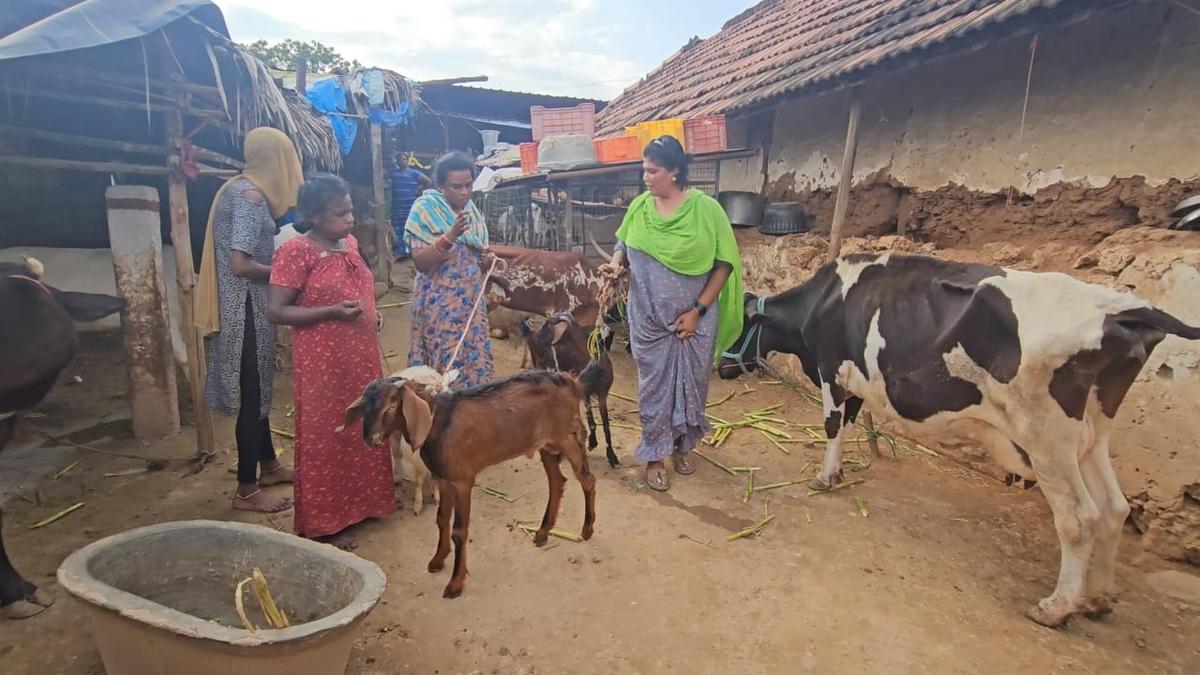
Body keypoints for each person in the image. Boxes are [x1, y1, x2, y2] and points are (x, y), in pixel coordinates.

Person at [600, 136, 744, 492]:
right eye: (644, 170)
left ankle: (682, 444)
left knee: (693, 385)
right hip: (648, 317)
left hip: (694, 320)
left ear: (675, 171)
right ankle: (654, 454)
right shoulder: (639, 207)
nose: (645, 177)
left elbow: (724, 263)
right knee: (653, 389)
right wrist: (617, 265)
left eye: (653, 171)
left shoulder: (707, 209)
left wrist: (698, 310)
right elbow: (623, 244)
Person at [269, 174, 396, 549]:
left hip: (361, 355)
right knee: (330, 433)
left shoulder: (350, 243)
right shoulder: (296, 252)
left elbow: (358, 290)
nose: (350, 219)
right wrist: (331, 312)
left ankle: (368, 502)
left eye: (350, 211)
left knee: (366, 421)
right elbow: (276, 310)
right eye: (340, 214)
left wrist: (372, 315)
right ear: (314, 216)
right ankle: (327, 521)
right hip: (324, 361)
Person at [196, 126, 302, 513]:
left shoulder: (237, 189)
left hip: (246, 308)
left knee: (257, 396)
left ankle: (269, 465)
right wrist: (283, 272)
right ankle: (246, 489)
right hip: (243, 313)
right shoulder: (249, 198)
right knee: (252, 396)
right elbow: (240, 265)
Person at [404, 151, 495, 387]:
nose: (464, 192)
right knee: (445, 364)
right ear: (442, 185)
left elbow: (473, 253)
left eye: (468, 185)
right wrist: (451, 235)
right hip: (440, 306)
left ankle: (472, 416)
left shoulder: (472, 211)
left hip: (470, 305)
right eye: (456, 186)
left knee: (475, 360)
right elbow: (421, 262)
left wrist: (484, 260)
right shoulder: (425, 210)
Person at [389, 152, 432, 260]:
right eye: (399, 160)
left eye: (403, 159)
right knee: (398, 229)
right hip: (398, 207)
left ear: (407, 161)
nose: (401, 161)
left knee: (410, 227)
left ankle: (411, 252)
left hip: (410, 206)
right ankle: (401, 252)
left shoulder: (414, 173)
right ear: (397, 162)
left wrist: (419, 190)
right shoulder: (394, 174)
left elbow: (428, 181)